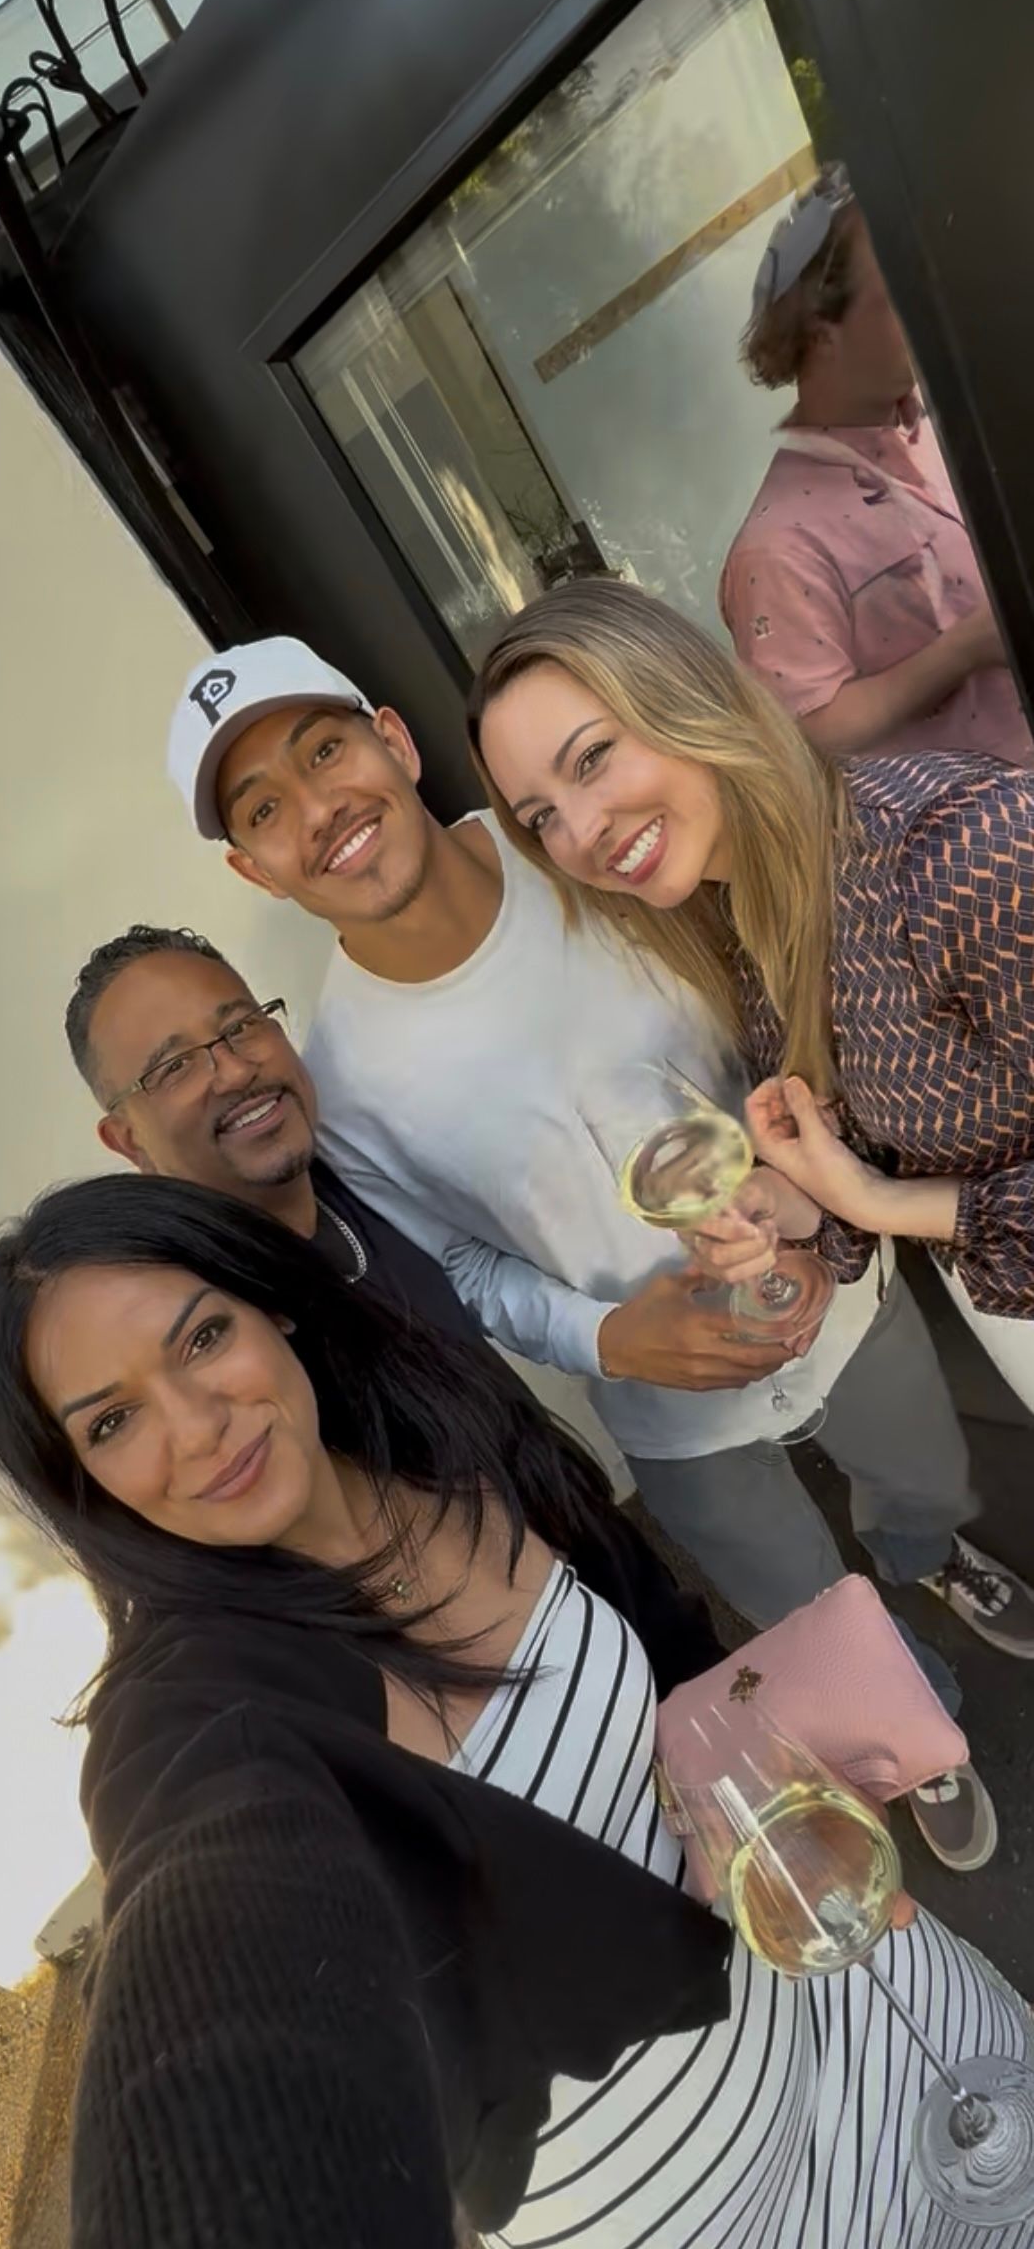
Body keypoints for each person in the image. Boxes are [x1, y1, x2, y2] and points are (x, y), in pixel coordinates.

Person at [0, 1175, 1033, 2249]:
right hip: (711, 2225)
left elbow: (660, 1673)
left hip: (871, 1998)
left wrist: (774, 1793)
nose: (195, 1428)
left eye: (200, 1337)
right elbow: (212, 1934)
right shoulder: (203, 1711)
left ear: (270, 1303)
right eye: (112, 1419)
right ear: (82, 1482)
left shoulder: (451, 1452)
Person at [164, 633, 999, 1869]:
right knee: (800, 1601)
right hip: (667, 1406)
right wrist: (615, 1335)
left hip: (834, 1286)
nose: (319, 809)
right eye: (266, 808)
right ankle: (920, 1717)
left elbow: (772, 997)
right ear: (254, 866)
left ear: (390, 739)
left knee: (922, 1475)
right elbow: (457, 1270)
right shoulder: (338, 1086)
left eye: (325, 748)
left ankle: (932, 1559)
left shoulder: (592, 847)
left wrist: (816, 1203)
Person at [468, 575, 1034, 1618]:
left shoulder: (957, 848)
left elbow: (912, 1187)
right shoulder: (756, 918)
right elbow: (897, 1144)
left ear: (690, 699)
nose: (584, 830)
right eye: (541, 815)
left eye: (593, 756)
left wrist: (885, 1208)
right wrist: (796, 1205)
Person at [720, 163, 1031, 769]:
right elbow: (809, 732)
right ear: (823, 330)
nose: (928, 304)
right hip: (994, 845)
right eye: (897, 295)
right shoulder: (776, 545)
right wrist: (963, 650)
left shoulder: (946, 426)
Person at [63, 921, 481, 1345]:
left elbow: (477, 1274)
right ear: (128, 1139)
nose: (236, 1071)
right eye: (176, 1066)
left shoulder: (357, 1160)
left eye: (241, 1027)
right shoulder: (204, 1328)